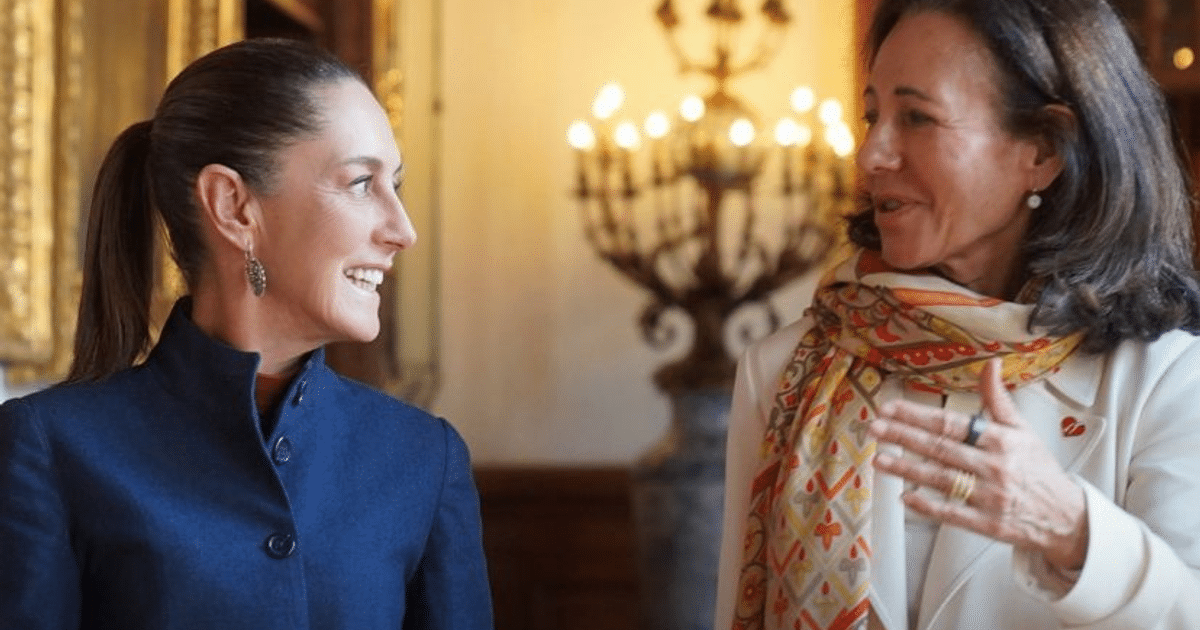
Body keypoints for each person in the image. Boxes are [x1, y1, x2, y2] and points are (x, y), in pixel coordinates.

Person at [714, 0, 1200, 628]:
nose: (872, 156)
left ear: (1044, 151)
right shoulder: (781, 368)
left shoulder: (1170, 375)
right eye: (872, 116)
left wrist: (1071, 531)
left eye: (917, 117)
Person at [0, 38, 492, 629]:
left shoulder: (422, 458)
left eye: (397, 185)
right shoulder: (51, 448)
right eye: (362, 183)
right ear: (233, 205)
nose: (402, 230)